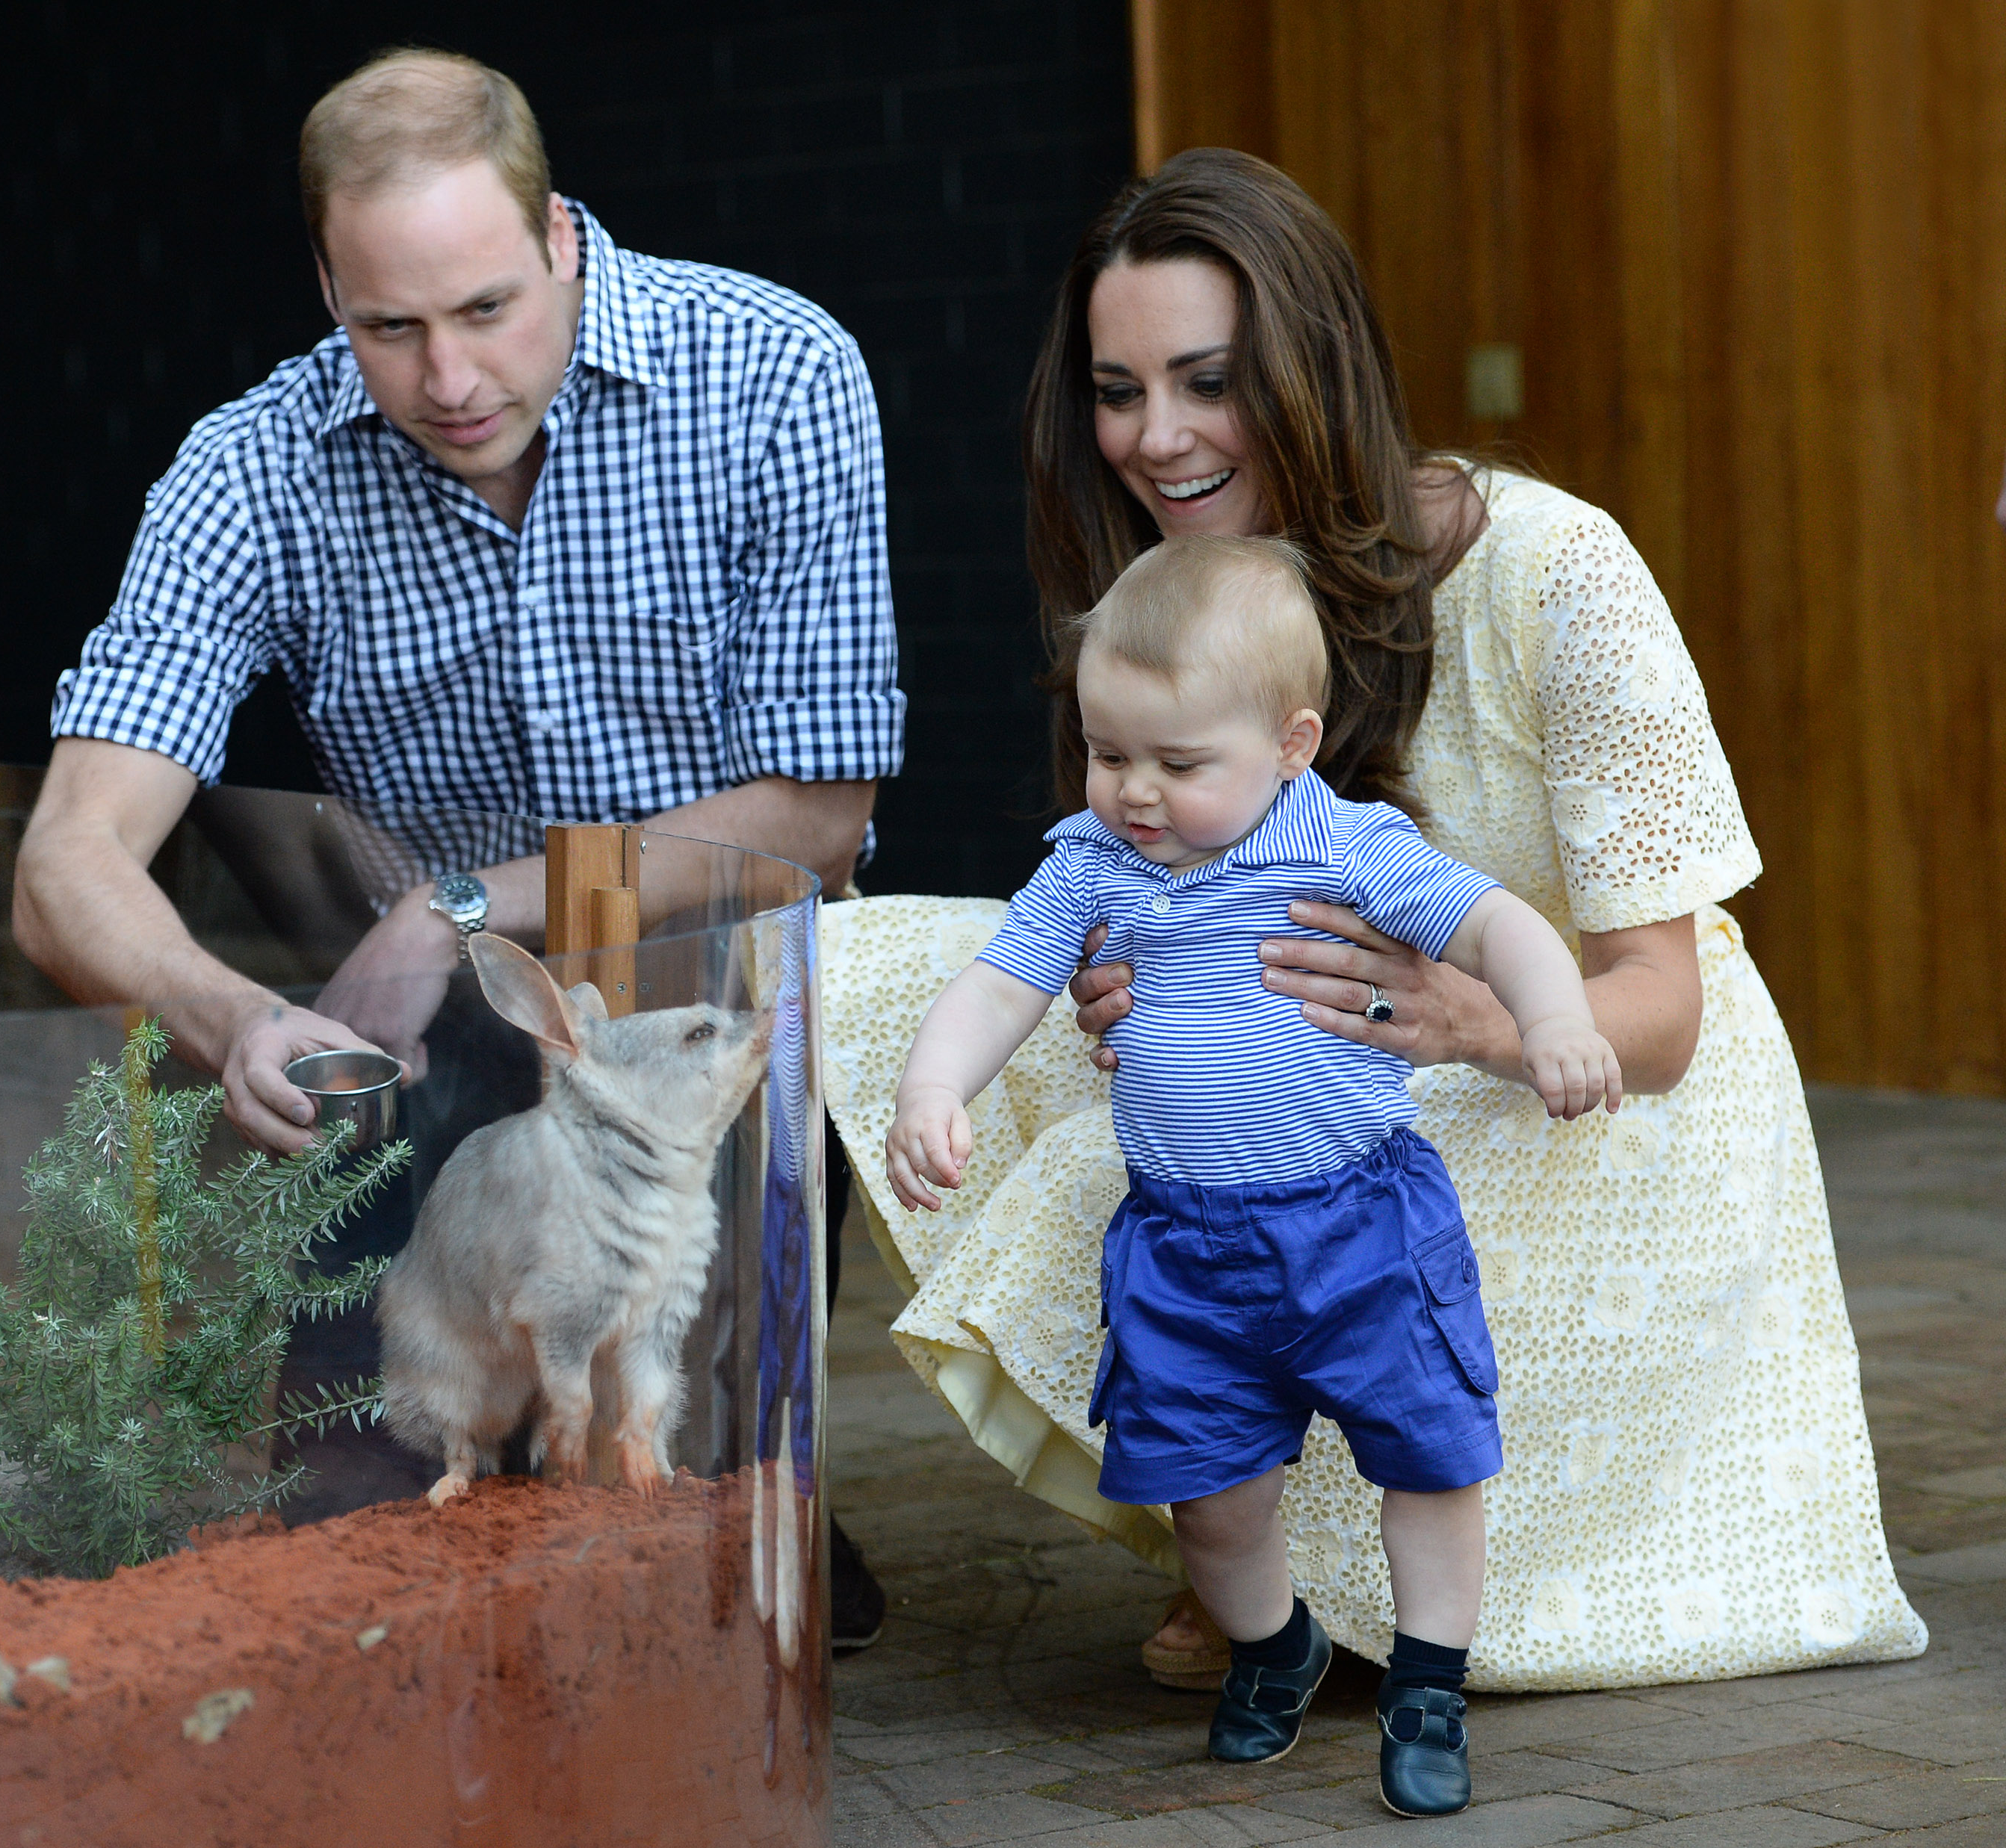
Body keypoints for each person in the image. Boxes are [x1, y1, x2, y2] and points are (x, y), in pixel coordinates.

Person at [818, 149, 1925, 1698]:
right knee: (890, 978)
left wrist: (1474, 1019)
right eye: (1119, 391)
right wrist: (1115, 980)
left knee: (1157, 1177)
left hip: (1579, 1080)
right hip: (1324, 1046)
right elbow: (1133, 889)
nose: (1157, 437)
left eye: (1208, 381)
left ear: (1312, 366)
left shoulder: (1555, 568)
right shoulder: (1169, 591)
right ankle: (1244, 1537)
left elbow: (1665, 1005)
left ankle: (1311, 1567)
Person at [10, 49, 896, 1641]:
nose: (450, 379)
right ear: (327, 288)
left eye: (488, 307)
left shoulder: (776, 370)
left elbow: (819, 810)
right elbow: (65, 863)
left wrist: (462, 901)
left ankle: (747, 1504)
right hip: (442, 1069)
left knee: (703, 1585)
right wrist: (240, 1018)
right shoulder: (253, 469)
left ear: (561, 236)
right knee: (365, 1551)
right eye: (391, 327)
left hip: (710, 1029)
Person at [887, 536, 1618, 1812]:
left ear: (1290, 742)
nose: (1136, 793)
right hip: (1185, 1244)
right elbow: (1001, 982)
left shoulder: (1343, 843)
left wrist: (1550, 1017)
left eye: (1179, 763)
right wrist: (934, 1084)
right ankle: (1280, 1644)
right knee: (1211, 1502)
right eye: (1110, 754)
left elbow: (1493, 921)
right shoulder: (1090, 865)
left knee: (1429, 1456)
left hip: (1362, 1223)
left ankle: (1431, 1679)